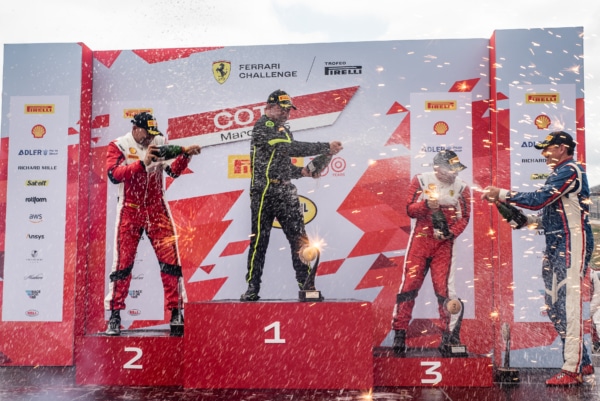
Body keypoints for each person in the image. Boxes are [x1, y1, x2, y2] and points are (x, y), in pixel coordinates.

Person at [482, 130, 594, 386]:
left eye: (548, 148)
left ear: (562, 148)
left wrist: (502, 193)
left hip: (573, 242)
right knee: (555, 305)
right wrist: (524, 220)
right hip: (556, 243)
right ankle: (583, 361)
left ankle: (572, 369)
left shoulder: (570, 170)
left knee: (568, 305)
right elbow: (548, 215)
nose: (544, 154)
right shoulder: (558, 173)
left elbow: (539, 199)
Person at [104, 112, 201, 335]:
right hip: (130, 210)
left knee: (171, 262)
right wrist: (142, 163)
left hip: (157, 209)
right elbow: (114, 175)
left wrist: (186, 156)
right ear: (135, 129)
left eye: (152, 134)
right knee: (123, 264)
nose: (150, 138)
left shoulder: (159, 141)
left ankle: (176, 312)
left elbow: (173, 172)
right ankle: (115, 316)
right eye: (147, 134)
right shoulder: (119, 145)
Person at [240, 89, 343, 301]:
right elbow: (288, 149)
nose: (286, 113)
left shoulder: (284, 130)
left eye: (289, 110)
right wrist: (325, 146)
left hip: (285, 191)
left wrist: (303, 172)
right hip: (263, 192)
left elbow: (283, 163)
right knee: (259, 242)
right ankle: (252, 288)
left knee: (300, 240)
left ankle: (306, 285)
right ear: (269, 107)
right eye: (282, 108)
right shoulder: (262, 127)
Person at [391, 150, 471, 354]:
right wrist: (426, 205)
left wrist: (450, 233)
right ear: (438, 169)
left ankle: (448, 337)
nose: (454, 174)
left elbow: (465, 217)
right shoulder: (421, 180)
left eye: (456, 170)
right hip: (420, 241)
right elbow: (409, 209)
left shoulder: (462, 187)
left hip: (444, 245)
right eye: (450, 170)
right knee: (409, 286)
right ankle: (399, 333)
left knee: (444, 290)